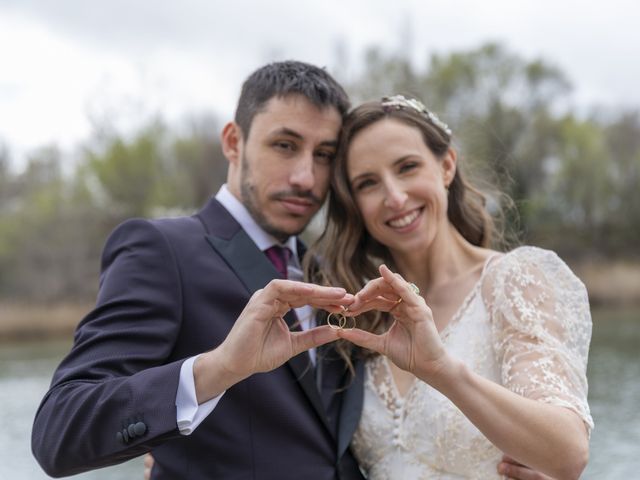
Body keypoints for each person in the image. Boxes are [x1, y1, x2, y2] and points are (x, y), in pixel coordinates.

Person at [31, 60, 364, 480]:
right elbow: (59, 431)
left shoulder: (328, 270)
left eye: (324, 155)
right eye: (284, 145)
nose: (306, 177)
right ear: (233, 141)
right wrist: (218, 369)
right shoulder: (161, 249)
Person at [307, 95, 593, 479]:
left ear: (446, 166)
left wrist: (441, 370)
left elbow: (567, 452)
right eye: (368, 183)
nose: (394, 197)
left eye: (407, 167)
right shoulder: (363, 310)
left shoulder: (513, 280)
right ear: (354, 203)